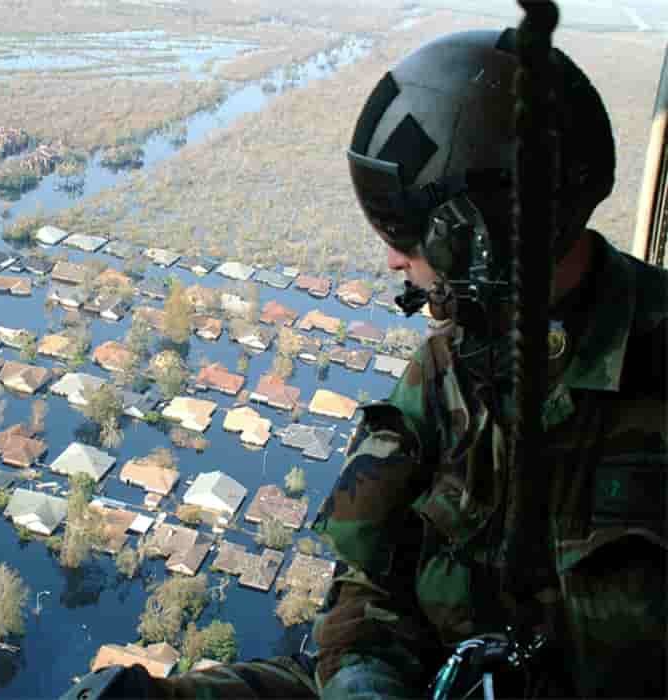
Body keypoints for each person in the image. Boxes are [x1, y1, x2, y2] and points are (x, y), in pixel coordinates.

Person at [63, 27, 667, 700]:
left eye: (407, 236)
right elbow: (367, 584)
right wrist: (365, 680)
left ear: (479, 235)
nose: (392, 261)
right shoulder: (452, 370)